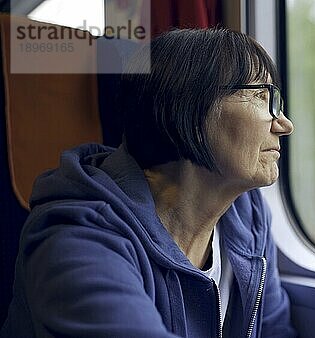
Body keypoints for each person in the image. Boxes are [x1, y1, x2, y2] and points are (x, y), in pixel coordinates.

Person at [1, 28, 296, 338]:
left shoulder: (246, 215)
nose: (284, 125)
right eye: (262, 97)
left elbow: (276, 331)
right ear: (191, 112)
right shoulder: (75, 240)